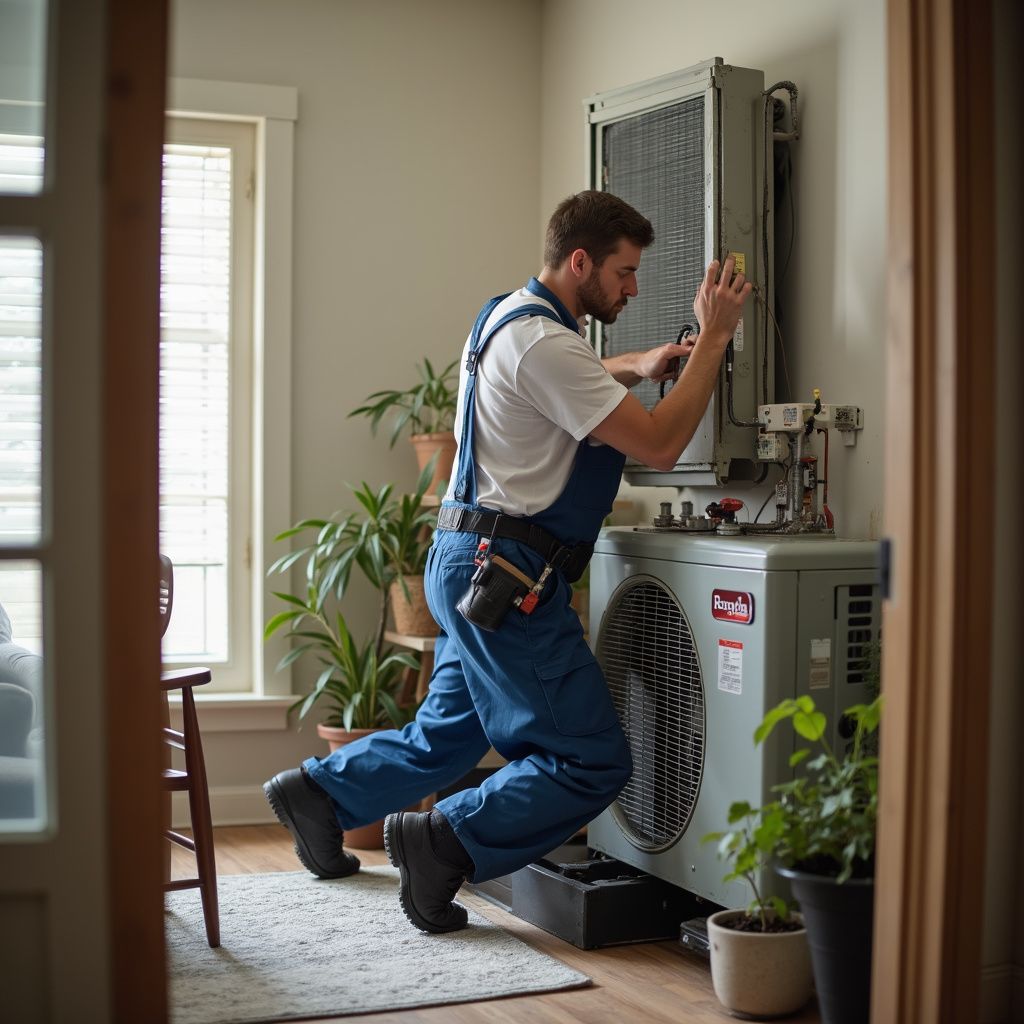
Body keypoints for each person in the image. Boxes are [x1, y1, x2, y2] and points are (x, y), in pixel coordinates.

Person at [264, 190, 751, 933]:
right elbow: (657, 443)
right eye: (623, 272)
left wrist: (635, 364)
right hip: (512, 576)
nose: (633, 288)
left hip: (467, 560)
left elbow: (561, 384)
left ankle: (320, 797)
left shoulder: (507, 320)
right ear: (579, 260)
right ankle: (442, 841)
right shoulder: (552, 345)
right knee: (589, 759)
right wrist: (713, 339)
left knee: (450, 733)